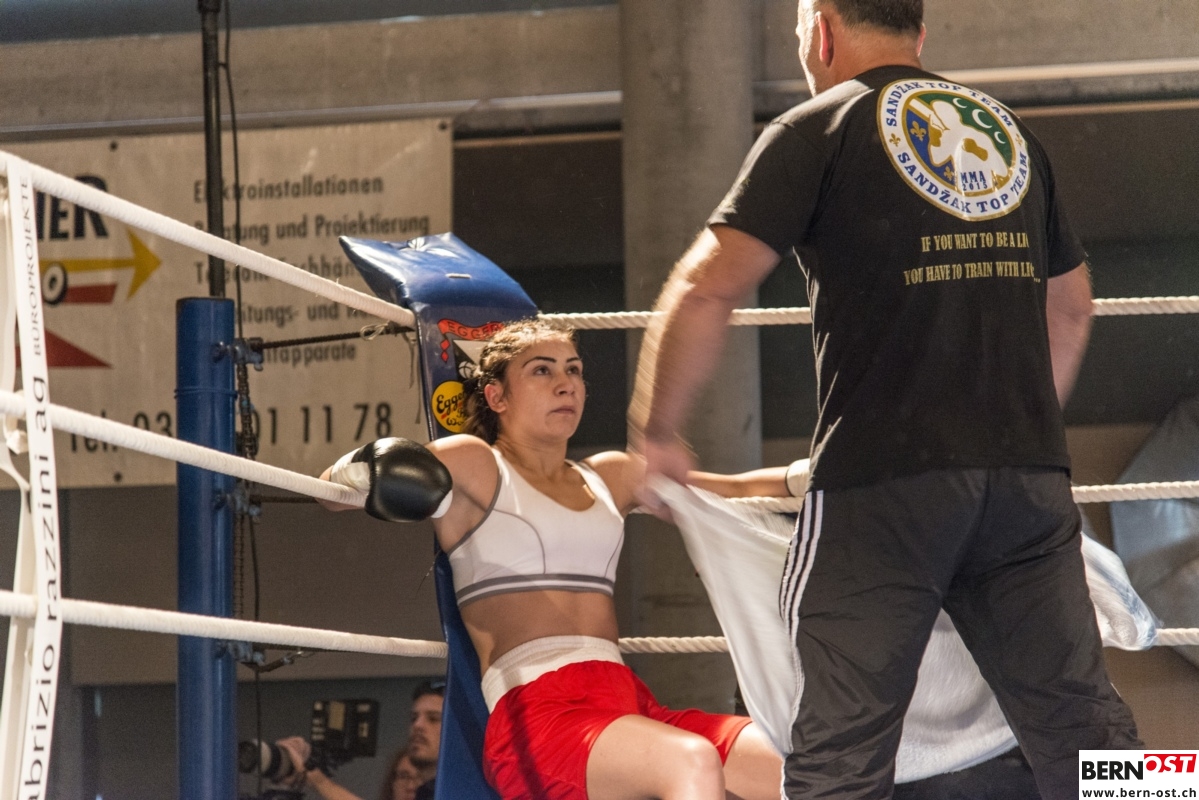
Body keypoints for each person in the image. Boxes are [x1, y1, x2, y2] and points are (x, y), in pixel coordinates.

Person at [631, 1, 1142, 798]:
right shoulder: (1009, 134)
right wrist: (1015, 425)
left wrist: (656, 431)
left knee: (839, 752)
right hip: (1025, 481)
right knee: (1088, 728)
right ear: (919, 36)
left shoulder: (818, 127)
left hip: (881, 486)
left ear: (822, 30)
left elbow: (705, 287)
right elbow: (1071, 308)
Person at [320, 319, 786, 800]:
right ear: (497, 396)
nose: (566, 384)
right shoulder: (476, 463)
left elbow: (732, 492)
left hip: (627, 705)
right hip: (538, 720)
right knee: (691, 761)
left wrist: (811, 476)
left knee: (798, 760)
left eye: (574, 370)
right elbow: (330, 493)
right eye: (542, 370)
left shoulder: (611, 475)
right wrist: (367, 469)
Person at [275, 681, 443, 800]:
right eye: (414, 718)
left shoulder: (456, 789)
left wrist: (316, 779)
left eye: (434, 718)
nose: (418, 725)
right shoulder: (426, 792)